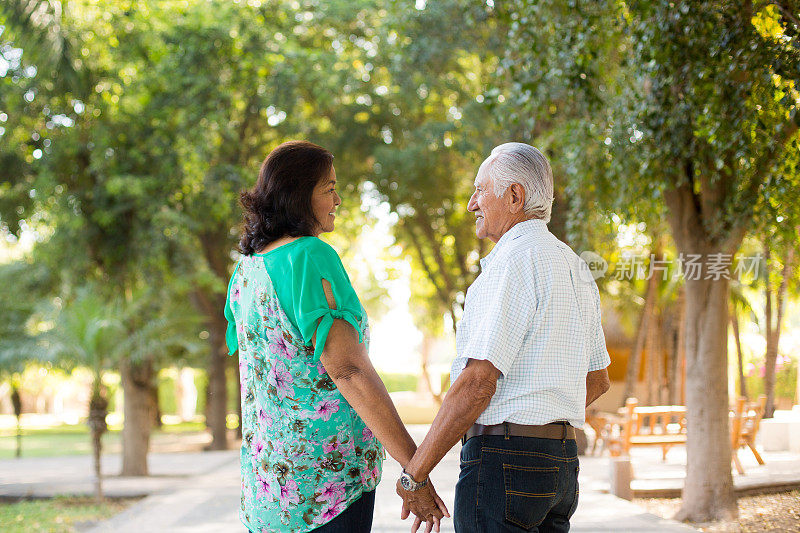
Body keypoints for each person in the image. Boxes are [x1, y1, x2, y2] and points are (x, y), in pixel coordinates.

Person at [224, 141, 448, 533]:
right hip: (326, 487)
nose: (338, 199)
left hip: (270, 492)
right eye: (329, 188)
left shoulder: (245, 271)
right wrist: (415, 471)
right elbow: (348, 371)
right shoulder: (309, 256)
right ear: (299, 195)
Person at [396, 142, 611, 532]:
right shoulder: (575, 266)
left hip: (504, 460)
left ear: (514, 196)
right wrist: (541, 413)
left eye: (480, 190)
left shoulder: (512, 262)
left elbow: (478, 383)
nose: (471, 204)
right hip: (561, 464)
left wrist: (415, 474)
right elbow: (597, 381)